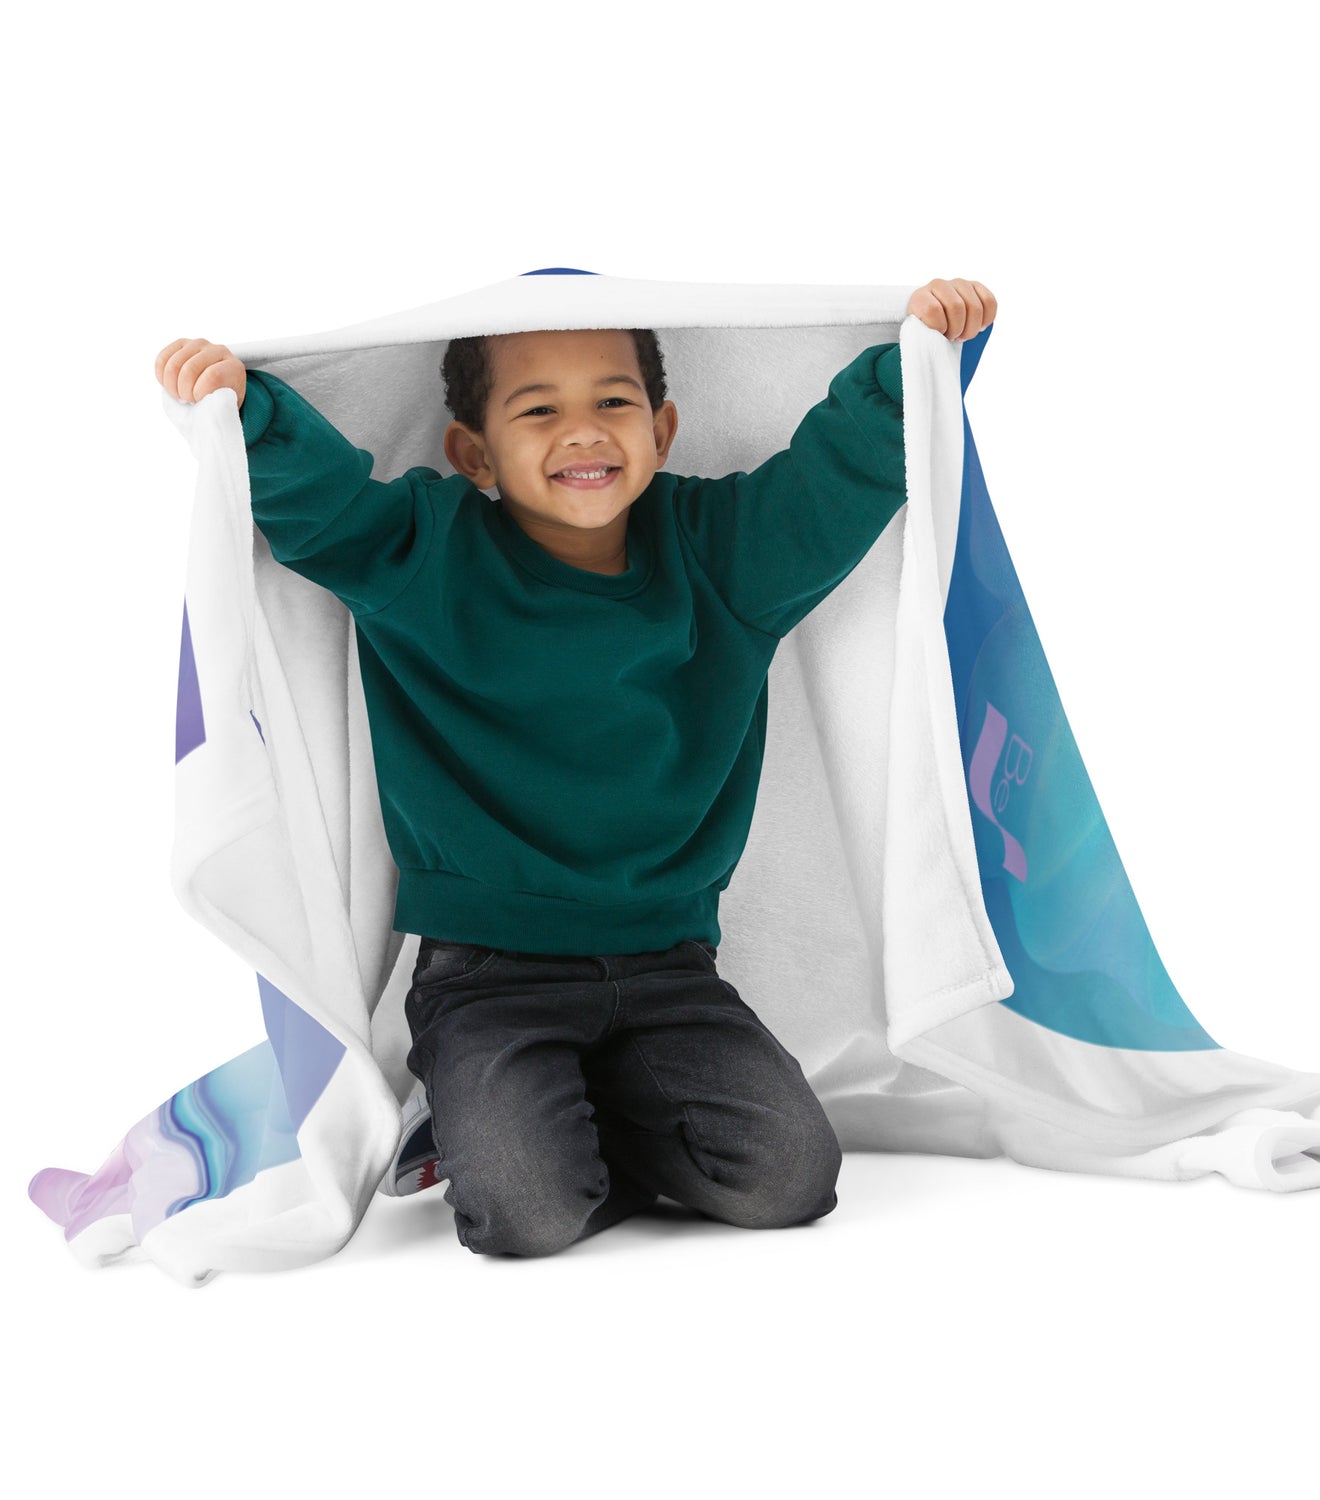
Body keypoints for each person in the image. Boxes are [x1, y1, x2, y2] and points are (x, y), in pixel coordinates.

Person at [154, 276, 998, 1258]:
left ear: (663, 430)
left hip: (669, 968)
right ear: (474, 453)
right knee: (529, 1213)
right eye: (539, 411)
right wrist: (245, 411)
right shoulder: (426, 557)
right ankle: (486, 1119)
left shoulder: (721, 554)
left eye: (613, 401)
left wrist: (914, 368)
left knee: (790, 1178)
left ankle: (573, 1114)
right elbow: (325, 508)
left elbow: (832, 487)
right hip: (487, 976)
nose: (584, 431)